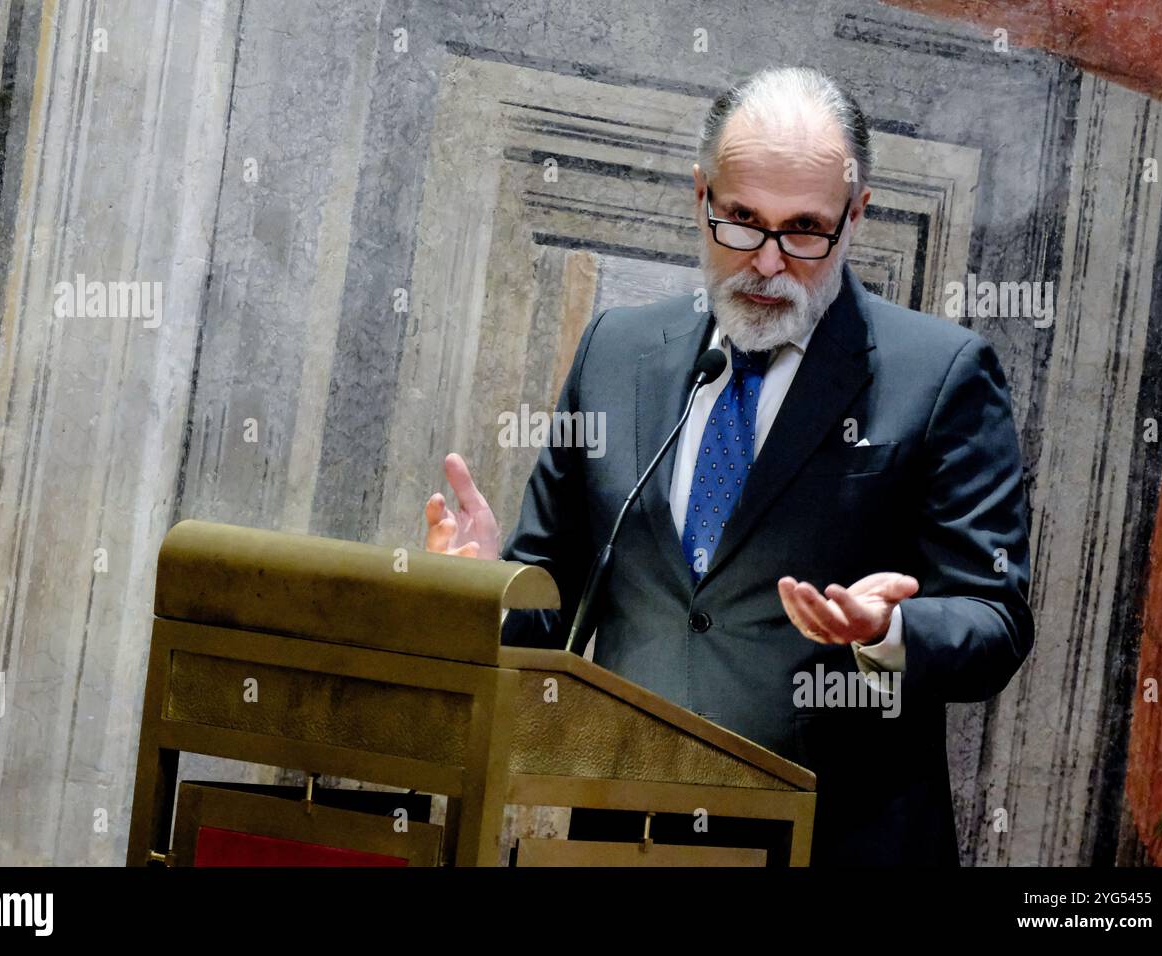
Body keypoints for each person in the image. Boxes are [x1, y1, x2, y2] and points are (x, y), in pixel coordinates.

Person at [422, 66, 1033, 865]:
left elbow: (996, 619)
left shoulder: (943, 372)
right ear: (700, 196)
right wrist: (483, 587)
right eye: (741, 220)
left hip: (836, 841)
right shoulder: (617, 352)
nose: (768, 262)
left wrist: (888, 631)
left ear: (858, 217)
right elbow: (555, 596)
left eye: (805, 229)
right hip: (620, 838)